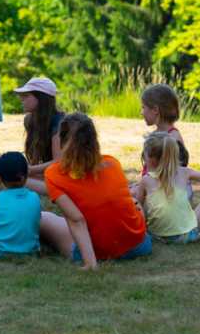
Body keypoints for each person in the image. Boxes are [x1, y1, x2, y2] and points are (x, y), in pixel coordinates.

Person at [40, 113, 151, 270]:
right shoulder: (113, 163)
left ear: (62, 140)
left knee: (44, 218)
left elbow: (76, 220)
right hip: (139, 245)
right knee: (134, 202)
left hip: (99, 251)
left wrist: (90, 262)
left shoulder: (54, 174)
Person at [134, 132, 200, 243]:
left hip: (157, 235)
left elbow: (137, 207)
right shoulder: (183, 172)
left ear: (151, 160)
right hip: (187, 235)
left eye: (144, 155)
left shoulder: (146, 180)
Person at [14, 77, 64, 194]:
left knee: (14, 180)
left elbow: (58, 162)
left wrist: (29, 170)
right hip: (51, 173)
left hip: (66, 176)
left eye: (26, 96)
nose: (21, 99)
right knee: (10, 175)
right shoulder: (29, 120)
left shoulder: (60, 123)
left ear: (41, 98)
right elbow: (35, 156)